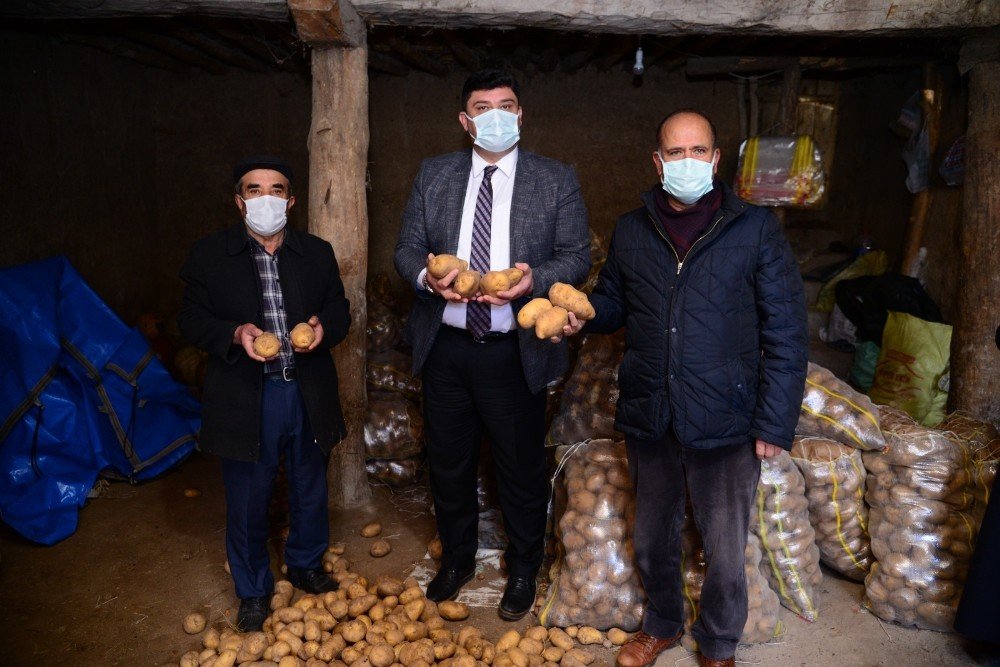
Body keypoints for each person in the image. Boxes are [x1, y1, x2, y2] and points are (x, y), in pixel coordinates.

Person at [566, 110, 808, 667]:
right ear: (658, 162)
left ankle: (720, 645)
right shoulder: (633, 228)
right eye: (675, 153)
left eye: (698, 151)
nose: (687, 162)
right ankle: (662, 625)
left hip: (726, 414)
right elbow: (615, 303)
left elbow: (787, 332)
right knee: (653, 536)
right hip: (652, 408)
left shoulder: (755, 228)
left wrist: (774, 422)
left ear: (716, 159)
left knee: (724, 548)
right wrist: (584, 314)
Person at [394, 69, 590, 620]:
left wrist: (536, 280)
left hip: (512, 349)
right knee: (449, 463)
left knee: (519, 465)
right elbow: (406, 247)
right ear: (465, 120)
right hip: (447, 346)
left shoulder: (554, 179)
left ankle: (524, 566)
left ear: (521, 114)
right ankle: (456, 560)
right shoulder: (434, 175)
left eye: (507, 105)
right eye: (483, 107)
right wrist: (423, 279)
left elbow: (577, 254)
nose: (496, 115)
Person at [178, 156, 350, 632]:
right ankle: (253, 589)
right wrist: (235, 335)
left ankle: (305, 564)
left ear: (291, 202)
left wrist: (323, 328)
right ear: (239, 202)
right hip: (247, 394)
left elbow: (339, 309)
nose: (266, 198)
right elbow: (190, 319)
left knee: (309, 484)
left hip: (306, 388)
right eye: (254, 190)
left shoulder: (316, 252)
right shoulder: (211, 255)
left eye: (276, 190)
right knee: (249, 495)